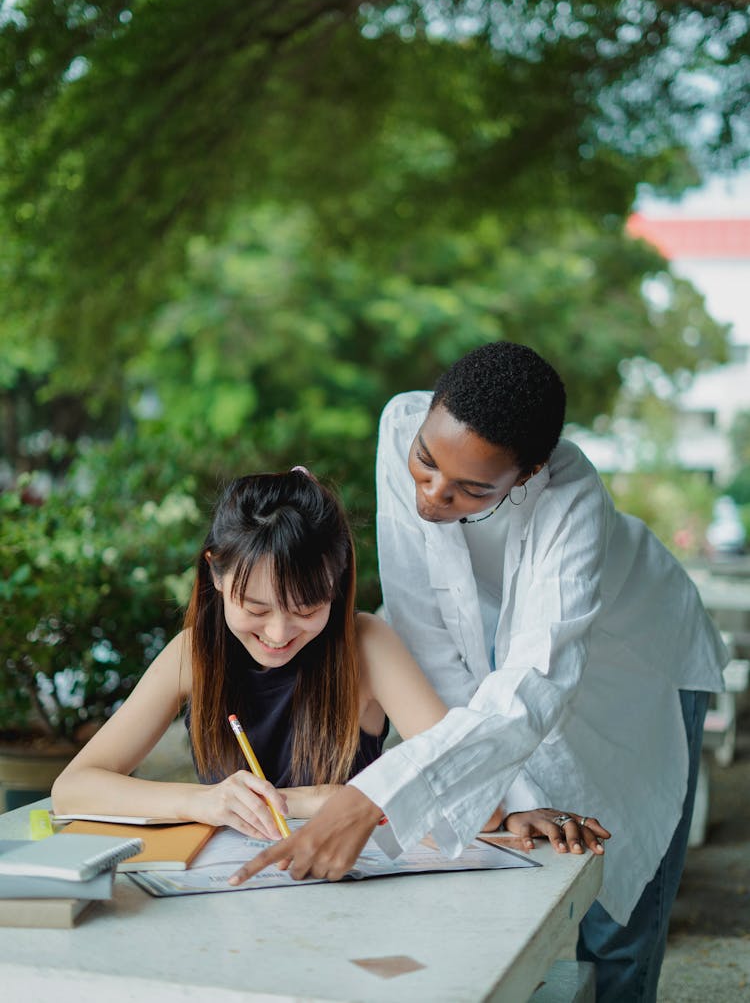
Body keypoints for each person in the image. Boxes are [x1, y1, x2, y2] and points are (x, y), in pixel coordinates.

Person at [234, 343, 727, 1003]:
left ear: (528, 473)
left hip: (637, 672)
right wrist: (516, 796)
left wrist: (373, 795)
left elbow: (534, 684)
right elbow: (428, 637)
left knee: (619, 913)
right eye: (429, 464)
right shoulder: (400, 428)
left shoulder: (572, 506)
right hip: (509, 680)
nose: (434, 495)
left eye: (472, 489)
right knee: (535, 873)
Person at [52, 466, 589, 840]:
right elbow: (73, 788)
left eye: (307, 606)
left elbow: (469, 794)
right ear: (215, 572)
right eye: (256, 607)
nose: (280, 632)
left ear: (337, 582)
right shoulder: (196, 652)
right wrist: (202, 802)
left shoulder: (367, 645)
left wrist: (300, 802)